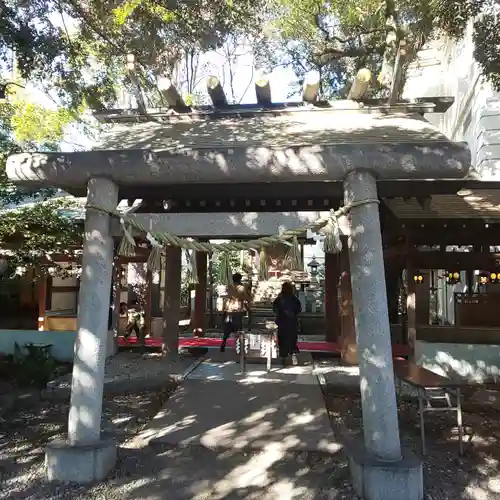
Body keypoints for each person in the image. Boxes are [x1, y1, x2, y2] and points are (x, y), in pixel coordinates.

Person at [220, 273, 251, 352]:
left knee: (227, 328)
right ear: (239, 279)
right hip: (237, 310)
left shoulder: (229, 287)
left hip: (228, 310)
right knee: (238, 329)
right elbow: (245, 298)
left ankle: (223, 343)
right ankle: (239, 347)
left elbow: (227, 298)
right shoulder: (241, 288)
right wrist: (248, 308)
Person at [273, 281, 301, 366]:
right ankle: (292, 351)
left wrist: (281, 313)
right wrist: (292, 313)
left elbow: (274, 308)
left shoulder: (279, 298)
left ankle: (283, 355)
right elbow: (299, 309)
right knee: (292, 337)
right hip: (292, 321)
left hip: (282, 322)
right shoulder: (294, 298)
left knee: (282, 338)